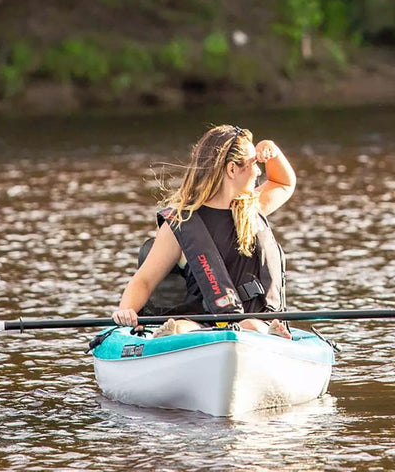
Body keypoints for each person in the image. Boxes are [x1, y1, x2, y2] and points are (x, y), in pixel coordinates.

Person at [112, 124, 295, 337]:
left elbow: (284, 183)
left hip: (255, 326)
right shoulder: (181, 222)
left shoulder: (253, 207)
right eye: (253, 163)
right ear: (232, 169)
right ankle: (170, 335)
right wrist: (127, 313)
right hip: (201, 326)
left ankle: (271, 334)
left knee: (251, 326)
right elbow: (144, 280)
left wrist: (271, 150)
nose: (258, 170)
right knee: (181, 327)